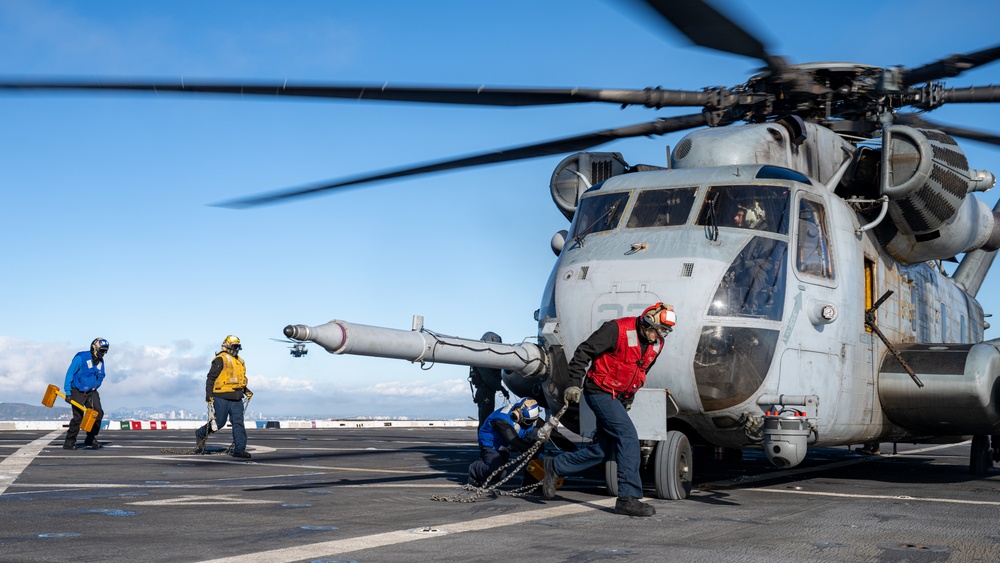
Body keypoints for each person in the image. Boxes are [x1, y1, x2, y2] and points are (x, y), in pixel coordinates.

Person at [542, 303, 676, 517]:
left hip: (619, 397)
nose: (660, 336)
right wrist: (574, 383)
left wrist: (629, 396)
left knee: (602, 451)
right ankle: (628, 498)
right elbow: (584, 350)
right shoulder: (616, 329)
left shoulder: (657, 344)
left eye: (665, 332)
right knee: (628, 436)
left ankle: (556, 466)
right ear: (647, 321)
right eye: (658, 330)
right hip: (599, 392)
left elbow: (640, 369)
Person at [468, 398, 575, 487]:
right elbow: (515, 442)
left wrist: (573, 449)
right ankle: (475, 470)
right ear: (517, 415)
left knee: (539, 442)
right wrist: (543, 461)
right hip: (495, 445)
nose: (531, 424)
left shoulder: (531, 418)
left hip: (517, 436)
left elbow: (552, 435)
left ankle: (531, 481)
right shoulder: (501, 420)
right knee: (498, 474)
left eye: (533, 421)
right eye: (528, 422)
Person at [195, 335, 253, 458]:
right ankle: (201, 433)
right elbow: (210, 378)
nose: (236, 349)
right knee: (219, 423)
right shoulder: (220, 359)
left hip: (237, 397)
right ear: (227, 346)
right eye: (234, 346)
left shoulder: (240, 361)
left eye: (238, 347)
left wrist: (246, 390)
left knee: (238, 423)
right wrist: (209, 395)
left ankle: (239, 449)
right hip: (221, 396)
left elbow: (239, 380)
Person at [62, 338, 109, 450]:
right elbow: (69, 374)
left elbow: (101, 376)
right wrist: (68, 392)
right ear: (94, 348)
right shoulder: (81, 358)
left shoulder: (100, 362)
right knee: (78, 418)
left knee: (98, 413)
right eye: (102, 350)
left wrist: (95, 386)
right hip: (77, 391)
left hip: (91, 391)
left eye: (105, 351)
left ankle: (90, 438)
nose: (103, 354)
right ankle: (69, 442)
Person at [469, 331, 510, 429]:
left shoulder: (483, 358)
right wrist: (502, 389)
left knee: (486, 419)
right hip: (485, 393)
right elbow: (489, 379)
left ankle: (484, 442)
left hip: (486, 392)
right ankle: (484, 443)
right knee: (485, 421)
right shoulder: (483, 360)